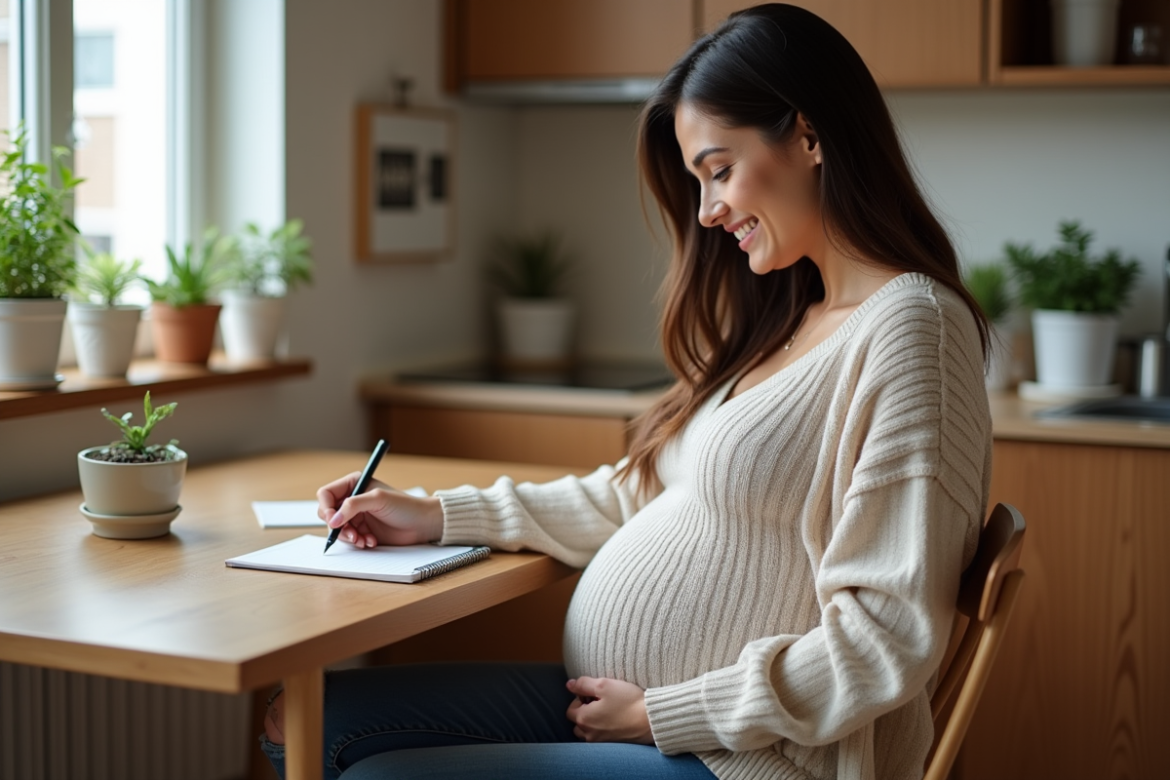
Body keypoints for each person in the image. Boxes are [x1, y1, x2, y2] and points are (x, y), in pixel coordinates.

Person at [261, 4, 992, 779]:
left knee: (373, 771)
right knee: (305, 718)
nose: (708, 211)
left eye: (718, 170)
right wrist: (438, 515)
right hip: (639, 715)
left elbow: (885, 640)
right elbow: (636, 497)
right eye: (698, 182)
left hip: (744, 756)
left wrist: (662, 715)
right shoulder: (792, 317)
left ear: (808, 137)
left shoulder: (912, 329)